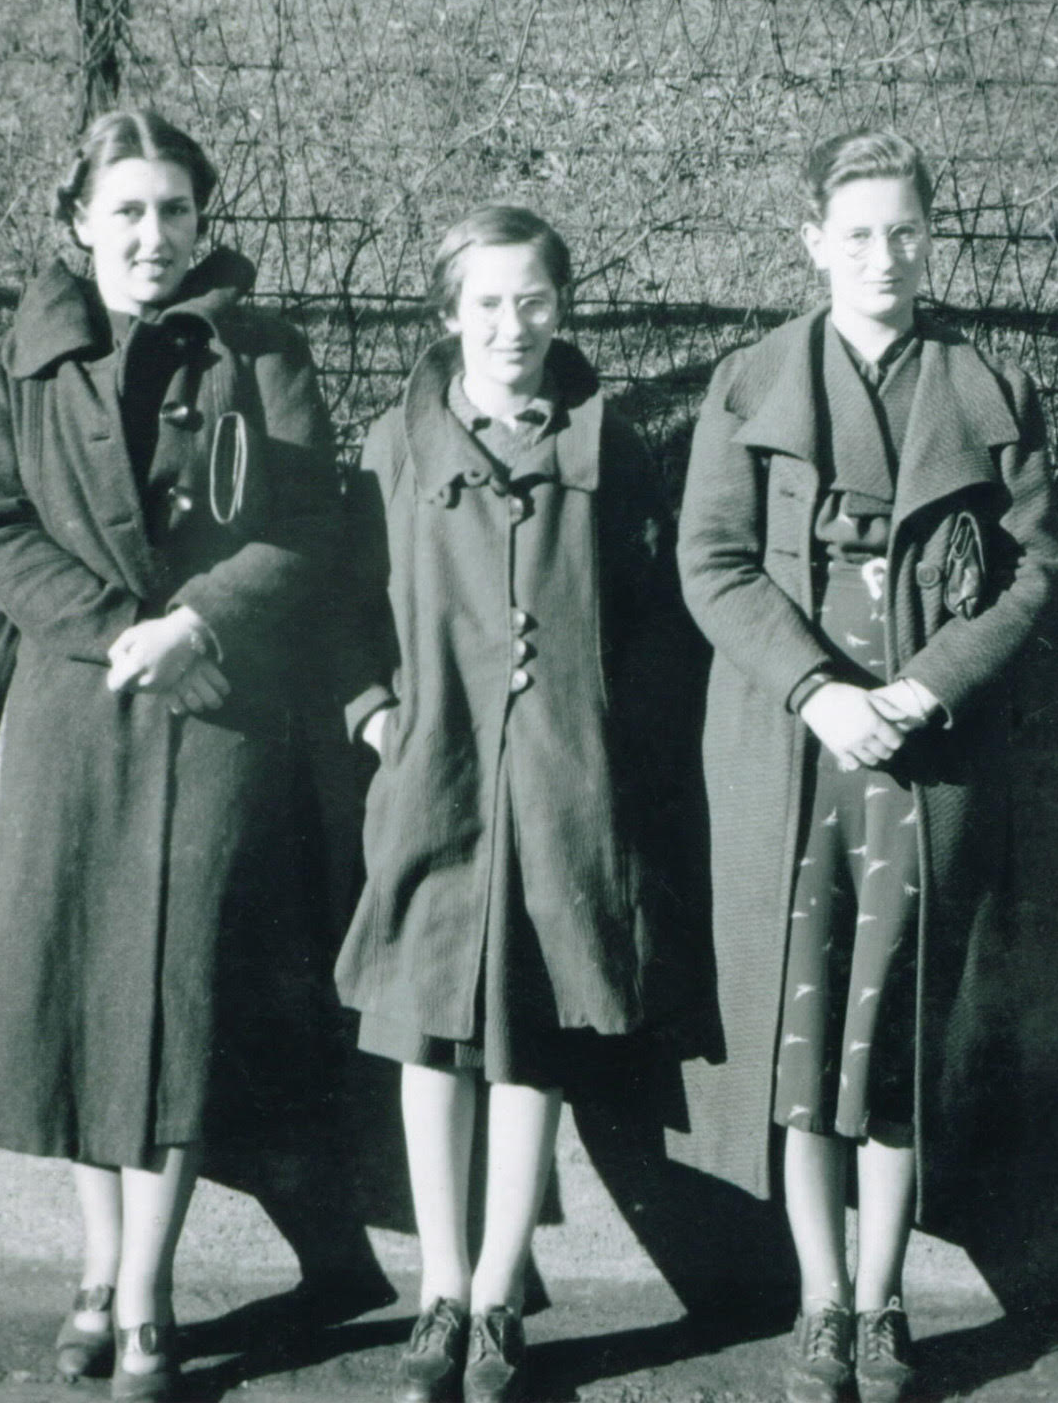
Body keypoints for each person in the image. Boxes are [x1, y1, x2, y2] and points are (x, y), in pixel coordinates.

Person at [0, 109, 346, 1401]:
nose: (153, 237)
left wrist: (198, 623)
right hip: (80, 702)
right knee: (82, 988)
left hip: (213, 706)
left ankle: (150, 1296)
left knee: (177, 998)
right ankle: (96, 1269)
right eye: (126, 211)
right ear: (78, 222)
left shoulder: (263, 348)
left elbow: (301, 525)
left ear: (203, 221)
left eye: (175, 211)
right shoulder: (13, 360)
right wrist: (120, 630)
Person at [676, 131, 1058, 1403]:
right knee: (801, 1037)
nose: (884, 257)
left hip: (926, 758)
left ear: (930, 235)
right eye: (857, 234)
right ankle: (820, 1305)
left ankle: (886, 1299)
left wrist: (919, 687)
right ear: (812, 241)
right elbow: (714, 562)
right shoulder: (750, 382)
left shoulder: (989, 386)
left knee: (893, 1034)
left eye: (905, 230)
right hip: (795, 758)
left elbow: (1036, 569)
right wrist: (817, 693)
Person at [334, 205, 715, 1403]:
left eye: (534, 299)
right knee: (427, 1030)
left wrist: (598, 714)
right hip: (435, 777)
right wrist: (373, 711)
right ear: (448, 316)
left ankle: (499, 1294)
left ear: (564, 307)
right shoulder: (392, 450)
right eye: (486, 302)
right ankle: (439, 1289)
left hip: (562, 783)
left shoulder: (615, 450)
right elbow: (340, 605)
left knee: (528, 1036)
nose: (512, 324)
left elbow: (662, 618)